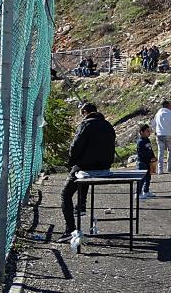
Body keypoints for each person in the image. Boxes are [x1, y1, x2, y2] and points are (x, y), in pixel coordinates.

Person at [57, 103, 115, 242]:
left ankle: (70, 230)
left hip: (86, 166)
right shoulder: (108, 125)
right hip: (104, 167)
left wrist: (71, 163)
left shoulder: (85, 125)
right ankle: (82, 204)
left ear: (84, 112)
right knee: (84, 175)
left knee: (66, 194)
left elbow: (75, 147)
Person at [151, 100, 171, 174]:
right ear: (168, 105)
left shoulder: (158, 114)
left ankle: (160, 170)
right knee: (170, 151)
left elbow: (153, 124)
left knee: (160, 152)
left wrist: (155, 132)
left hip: (159, 135)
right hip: (169, 135)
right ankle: (169, 167)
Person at [136, 124, 156, 199]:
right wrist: (147, 159)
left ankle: (146, 191)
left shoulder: (147, 140)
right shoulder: (140, 142)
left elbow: (150, 149)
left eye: (149, 131)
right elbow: (141, 153)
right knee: (141, 178)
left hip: (149, 162)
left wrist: (153, 157)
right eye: (147, 131)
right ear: (142, 132)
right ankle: (138, 193)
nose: (149, 132)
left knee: (148, 177)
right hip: (142, 163)